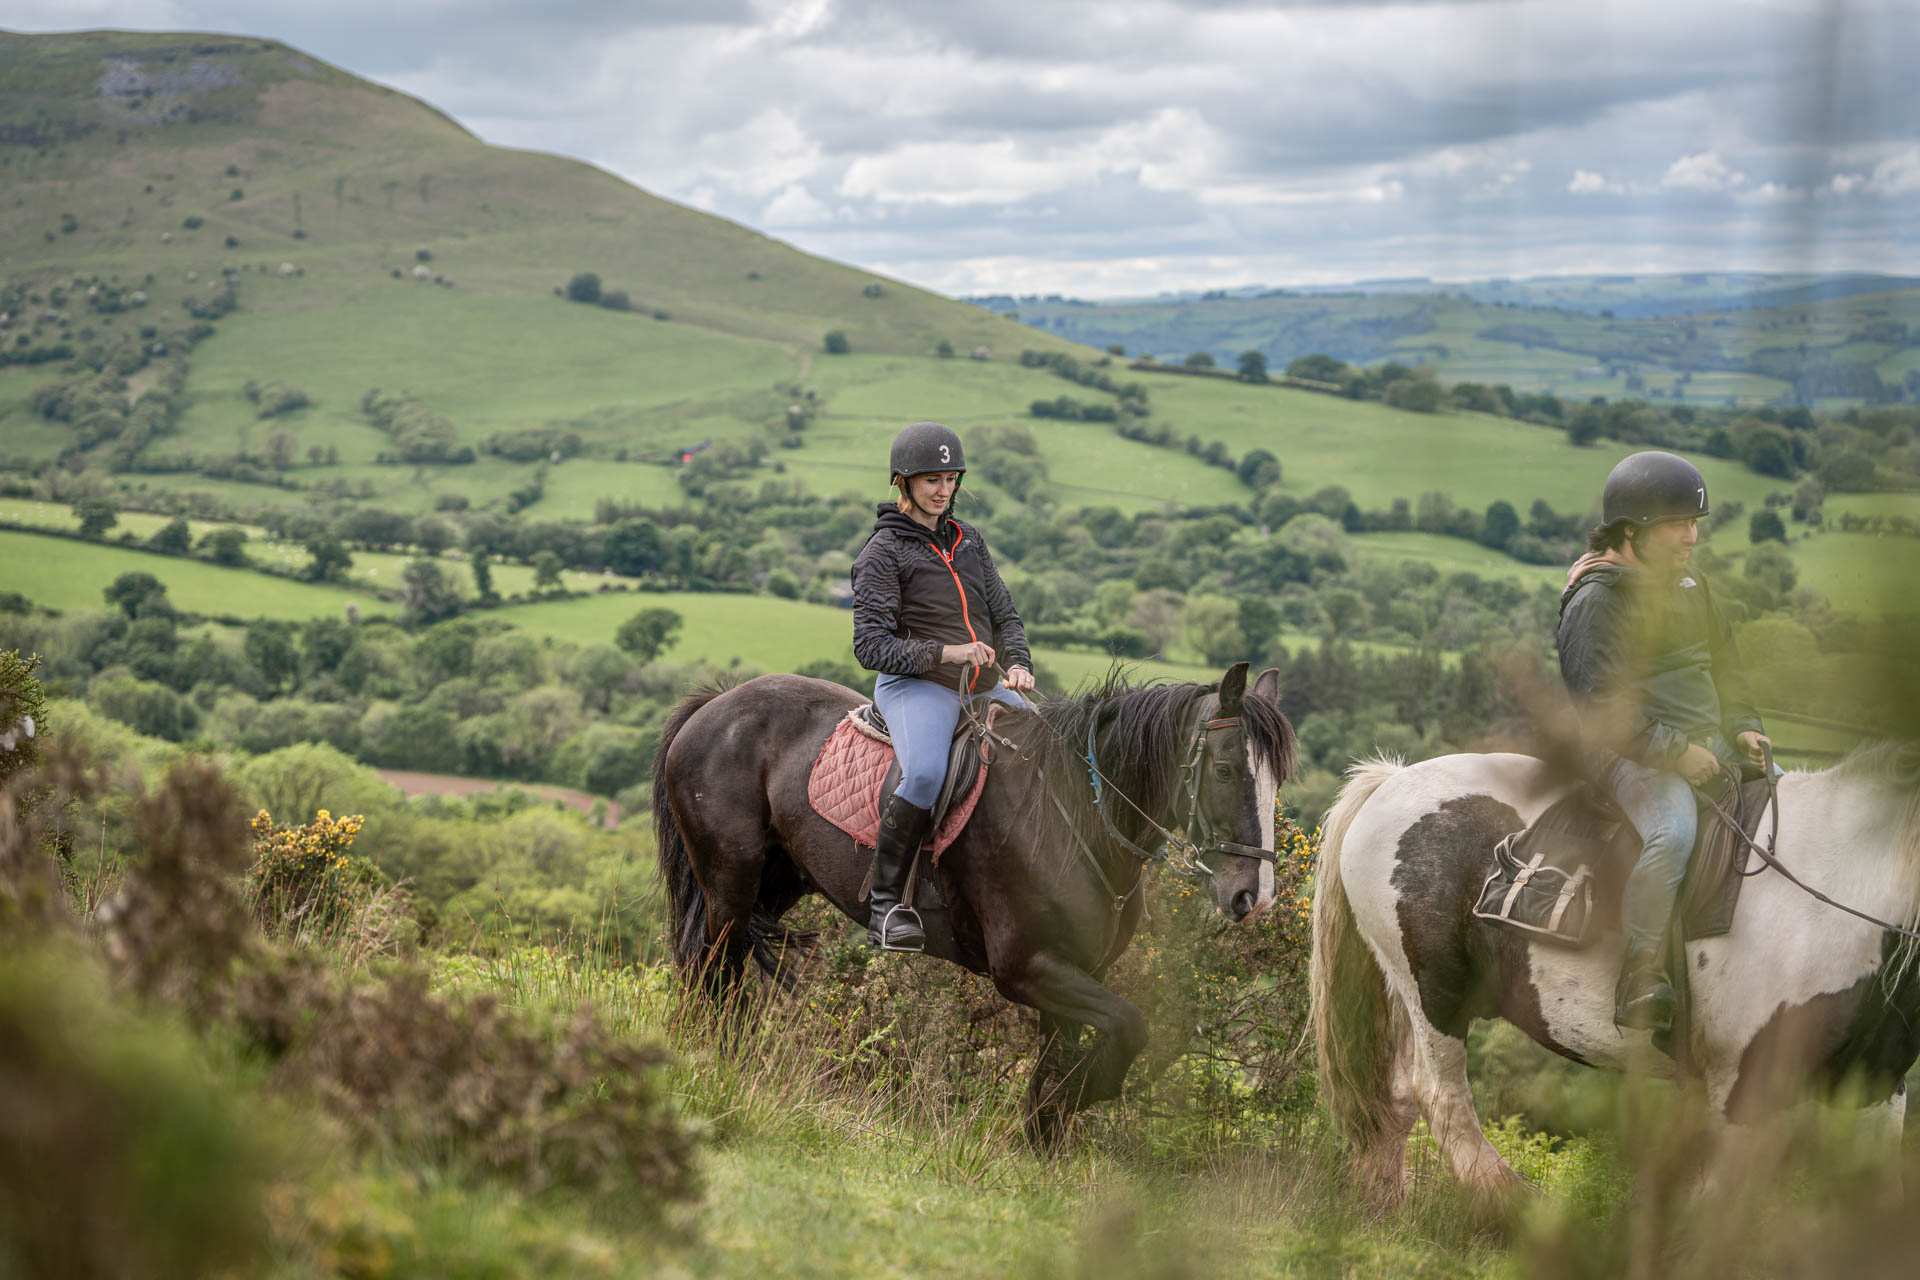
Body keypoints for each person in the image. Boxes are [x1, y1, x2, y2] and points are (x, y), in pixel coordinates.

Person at [1557, 450, 1773, 1034]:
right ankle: (1640, 975)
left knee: (1785, 808)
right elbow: (1599, 707)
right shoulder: (1596, 600)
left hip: (1706, 741)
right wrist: (1677, 752)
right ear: (1633, 531)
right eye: (1679, 524)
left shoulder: (1689, 583)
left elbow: (1725, 664)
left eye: (1695, 523)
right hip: (1627, 756)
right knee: (1672, 831)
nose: (1692, 536)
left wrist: (1744, 725)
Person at [850, 421, 1035, 951]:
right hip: (918, 686)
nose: (943, 490)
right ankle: (886, 909)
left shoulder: (970, 540)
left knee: (1051, 743)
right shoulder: (881, 553)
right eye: (931, 479)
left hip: (983, 687)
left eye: (951, 478)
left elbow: (1005, 616)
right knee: (927, 772)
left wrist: (1017, 662)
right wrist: (945, 653)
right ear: (902, 484)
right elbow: (871, 648)